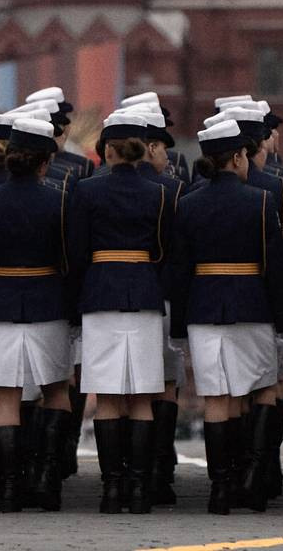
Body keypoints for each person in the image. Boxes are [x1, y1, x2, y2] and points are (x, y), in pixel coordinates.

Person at [168, 117, 283, 515]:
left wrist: (179, 324)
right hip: (251, 307)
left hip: (204, 309)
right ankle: (252, 478)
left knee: (218, 398)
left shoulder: (186, 204)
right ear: (238, 157)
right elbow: (275, 268)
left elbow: (180, 272)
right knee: (262, 388)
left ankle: (221, 487)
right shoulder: (262, 201)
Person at [0, 112, 71, 513]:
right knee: (56, 391)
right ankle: (46, 480)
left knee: (5, 396)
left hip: (0, 304)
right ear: (45, 161)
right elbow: (70, 262)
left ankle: (6, 487)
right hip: (48, 303)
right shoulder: (61, 200)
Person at [65, 108, 172, 516]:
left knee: (108, 396)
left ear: (107, 150)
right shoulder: (160, 191)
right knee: (143, 396)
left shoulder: (86, 190)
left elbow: (76, 252)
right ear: (142, 149)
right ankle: (140, 489)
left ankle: (112, 489)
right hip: (143, 292)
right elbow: (165, 250)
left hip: (100, 293)